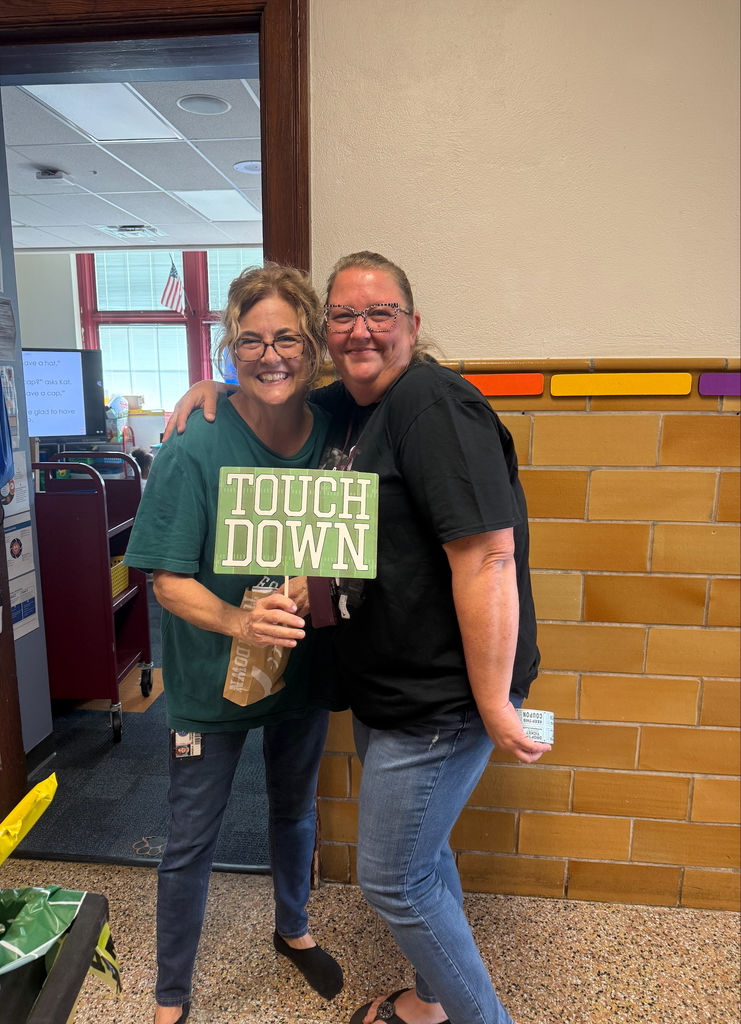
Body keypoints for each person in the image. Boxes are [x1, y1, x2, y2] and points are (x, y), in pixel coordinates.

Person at [166, 251, 551, 1024]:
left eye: (380, 314)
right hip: (381, 689)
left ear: (413, 325)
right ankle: (429, 1000)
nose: (360, 330)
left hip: (437, 701)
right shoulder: (351, 407)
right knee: (426, 858)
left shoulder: (432, 406)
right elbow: (266, 394)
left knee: (393, 878)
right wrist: (211, 388)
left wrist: (495, 701)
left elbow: (488, 556)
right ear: (326, 334)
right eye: (344, 315)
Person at [124, 264, 346, 1024]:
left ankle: (294, 928)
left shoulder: (335, 429)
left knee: (295, 808)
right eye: (250, 340)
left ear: (313, 344)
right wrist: (238, 622)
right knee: (191, 836)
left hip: (298, 672)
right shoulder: (196, 440)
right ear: (229, 348)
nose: (270, 354)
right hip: (207, 675)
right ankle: (170, 997)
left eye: (287, 337)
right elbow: (163, 580)